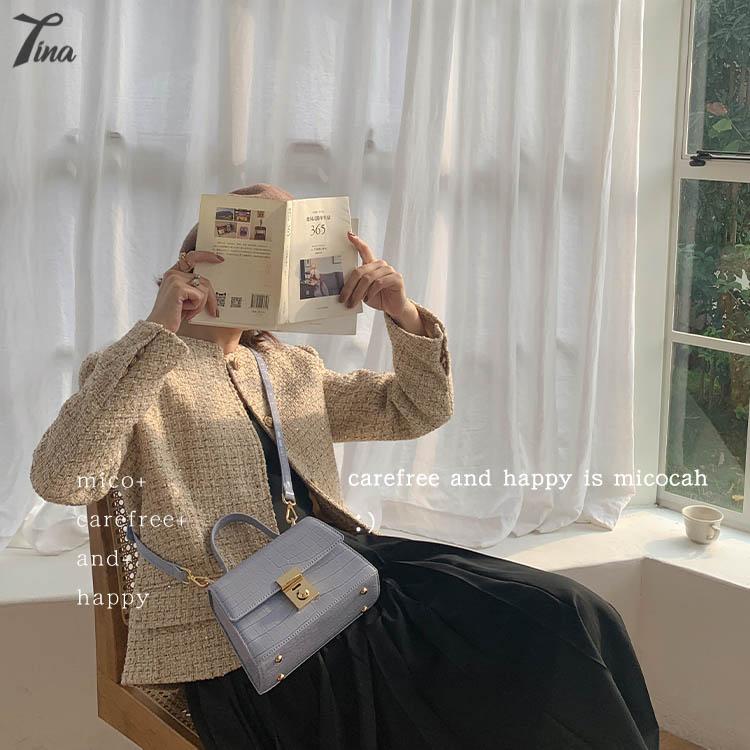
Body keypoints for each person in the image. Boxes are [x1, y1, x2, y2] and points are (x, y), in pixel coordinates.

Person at [30, 183, 659, 750]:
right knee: (441, 688)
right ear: (194, 263)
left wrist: (400, 313)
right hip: (229, 623)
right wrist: (158, 330)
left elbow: (414, 409)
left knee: (562, 612)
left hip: (342, 570)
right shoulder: (138, 370)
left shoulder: (290, 368)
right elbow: (62, 478)